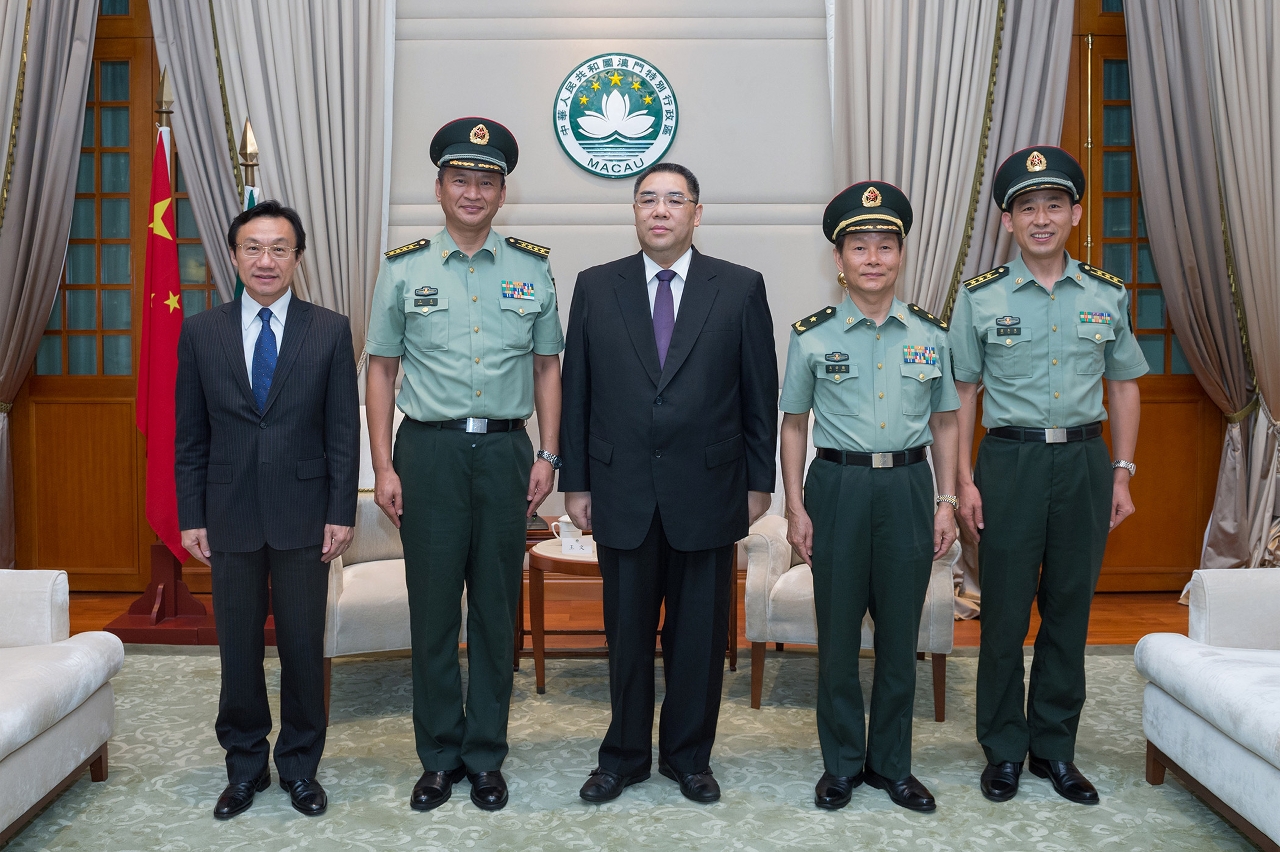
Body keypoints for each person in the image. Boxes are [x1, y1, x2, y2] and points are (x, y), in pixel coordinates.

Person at [561, 163, 778, 805]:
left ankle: (688, 757)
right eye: (647, 199)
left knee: (700, 638)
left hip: (709, 490)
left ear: (696, 213)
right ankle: (623, 757)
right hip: (619, 488)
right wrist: (577, 482)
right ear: (633, 211)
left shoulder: (739, 288)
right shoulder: (596, 287)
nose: (660, 210)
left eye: (673, 200)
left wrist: (759, 482)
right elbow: (578, 394)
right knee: (625, 635)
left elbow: (759, 394)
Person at [364, 117, 563, 813]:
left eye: (486, 180)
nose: (472, 191)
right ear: (439, 188)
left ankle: (485, 756)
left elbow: (547, 369)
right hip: (430, 451)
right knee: (434, 611)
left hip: (508, 450)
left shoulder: (532, 269)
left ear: (502, 193)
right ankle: (439, 758)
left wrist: (547, 453)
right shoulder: (403, 268)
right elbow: (382, 372)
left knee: (495, 611)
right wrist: (384, 465)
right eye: (460, 179)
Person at [950, 146, 1147, 805]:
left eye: (1053, 205)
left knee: (1070, 609)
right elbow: (963, 395)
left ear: (1076, 213)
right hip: (1008, 462)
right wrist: (962, 483)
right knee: (1004, 612)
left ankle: (1053, 751)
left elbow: (1123, 386)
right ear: (1008, 221)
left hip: (1086, 462)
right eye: (1027, 208)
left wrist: (1121, 471)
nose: (1041, 218)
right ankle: (1004, 751)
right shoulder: (979, 299)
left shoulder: (1107, 293)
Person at [175, 200, 359, 819]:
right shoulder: (202, 332)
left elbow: (341, 431)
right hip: (227, 516)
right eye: (253, 247)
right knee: (238, 652)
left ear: (297, 259)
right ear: (233, 255)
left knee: (305, 648)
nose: (266, 260)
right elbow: (190, 436)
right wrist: (191, 514)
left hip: (306, 514)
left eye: (279, 248)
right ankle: (245, 766)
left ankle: (301, 768)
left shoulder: (329, 330)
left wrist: (342, 511)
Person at [779, 182, 959, 813]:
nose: (873, 258)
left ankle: (892, 766)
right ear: (840, 260)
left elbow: (946, 424)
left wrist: (947, 501)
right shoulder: (812, 336)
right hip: (837, 488)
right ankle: (841, 767)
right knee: (836, 642)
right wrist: (796, 507)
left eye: (886, 246)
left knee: (898, 640)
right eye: (860, 247)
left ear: (901, 255)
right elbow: (794, 422)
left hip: (909, 487)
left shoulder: (932, 334)